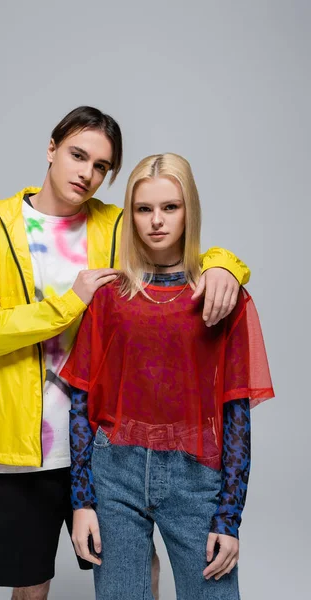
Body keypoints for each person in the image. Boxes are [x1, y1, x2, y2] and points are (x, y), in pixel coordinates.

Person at [0, 108, 251, 600]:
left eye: (101, 166)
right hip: (25, 442)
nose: (87, 173)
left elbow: (178, 240)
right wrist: (69, 303)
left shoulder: (115, 224)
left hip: (109, 438)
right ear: (51, 148)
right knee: (30, 583)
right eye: (77, 155)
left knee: (138, 567)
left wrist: (226, 268)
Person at [61, 153, 274, 600]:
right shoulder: (110, 297)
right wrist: (81, 501)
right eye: (143, 209)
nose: (156, 221)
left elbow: (236, 413)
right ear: (131, 214)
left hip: (196, 476)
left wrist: (228, 518)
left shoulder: (220, 295)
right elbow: (81, 402)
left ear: (189, 210)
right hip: (114, 472)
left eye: (170, 207)